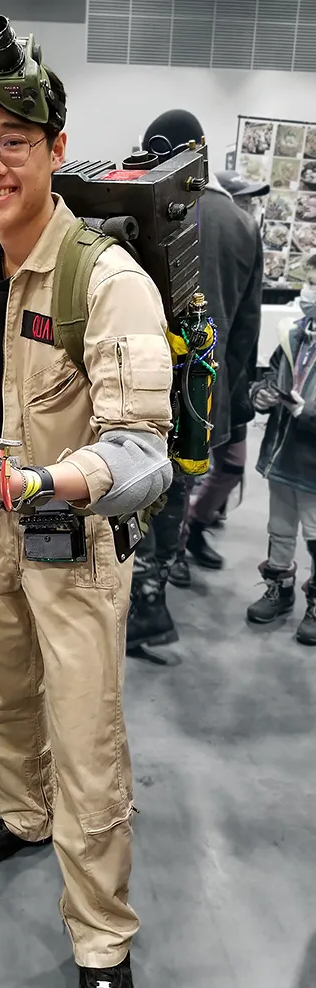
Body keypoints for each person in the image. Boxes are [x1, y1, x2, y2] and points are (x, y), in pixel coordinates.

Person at [0, 14, 173, 986]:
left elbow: (141, 454)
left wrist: (26, 481)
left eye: (13, 142)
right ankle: (24, 817)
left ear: (55, 149)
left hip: (76, 552)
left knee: (85, 745)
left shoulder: (106, 280)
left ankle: (102, 938)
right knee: (0, 702)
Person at [127, 110, 263, 647]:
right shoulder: (240, 224)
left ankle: (143, 601)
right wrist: (229, 399)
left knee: (133, 489)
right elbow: (247, 328)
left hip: (142, 383)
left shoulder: (145, 205)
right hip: (203, 392)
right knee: (177, 488)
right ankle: (156, 589)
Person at [172, 168, 266, 585]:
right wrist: (235, 378)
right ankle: (179, 544)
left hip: (171, 367)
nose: (250, 202)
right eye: (246, 194)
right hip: (220, 371)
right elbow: (249, 321)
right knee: (194, 467)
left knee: (179, 471)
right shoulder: (241, 225)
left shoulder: (169, 207)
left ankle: (178, 545)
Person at [247, 259, 316, 645]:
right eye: (309, 282)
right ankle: (279, 587)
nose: (309, 292)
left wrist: (307, 412)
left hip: (313, 467)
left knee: (315, 534)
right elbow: (271, 375)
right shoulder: (295, 334)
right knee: (280, 528)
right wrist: (262, 394)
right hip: (281, 456)